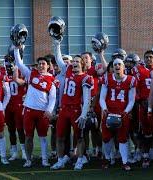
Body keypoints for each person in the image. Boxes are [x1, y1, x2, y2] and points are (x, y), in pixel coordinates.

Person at [51, 39, 92, 170]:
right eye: (73, 61)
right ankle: (60, 159)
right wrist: (57, 43)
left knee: (79, 137)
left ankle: (80, 159)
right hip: (64, 109)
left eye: (76, 61)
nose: (73, 63)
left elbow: (87, 99)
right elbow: (58, 58)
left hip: (75, 110)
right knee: (60, 136)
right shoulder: (68, 70)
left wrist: (84, 115)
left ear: (82, 64)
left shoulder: (86, 78)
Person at [14, 47, 57, 168]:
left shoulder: (52, 79)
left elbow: (53, 97)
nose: (41, 66)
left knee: (43, 137)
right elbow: (19, 63)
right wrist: (17, 49)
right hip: (29, 110)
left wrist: (49, 110)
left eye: (44, 64)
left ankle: (44, 159)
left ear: (48, 66)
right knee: (28, 136)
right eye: (39, 64)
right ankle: (28, 159)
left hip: (42, 111)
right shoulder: (31, 73)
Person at [100, 58, 136, 171]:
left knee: (123, 138)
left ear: (123, 67)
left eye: (119, 64)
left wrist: (126, 111)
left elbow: (131, 100)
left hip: (122, 112)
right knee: (106, 137)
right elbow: (102, 97)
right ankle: (106, 158)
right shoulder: (107, 78)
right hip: (109, 111)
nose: (117, 66)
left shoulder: (131, 80)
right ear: (113, 67)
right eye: (115, 64)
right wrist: (105, 109)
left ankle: (124, 161)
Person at [3, 55, 27, 161]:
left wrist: (15, 73)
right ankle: (14, 151)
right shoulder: (3, 74)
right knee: (11, 129)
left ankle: (24, 151)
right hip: (8, 105)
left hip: (18, 105)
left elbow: (23, 83)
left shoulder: (21, 73)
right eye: (6, 63)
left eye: (10, 62)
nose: (8, 65)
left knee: (20, 129)